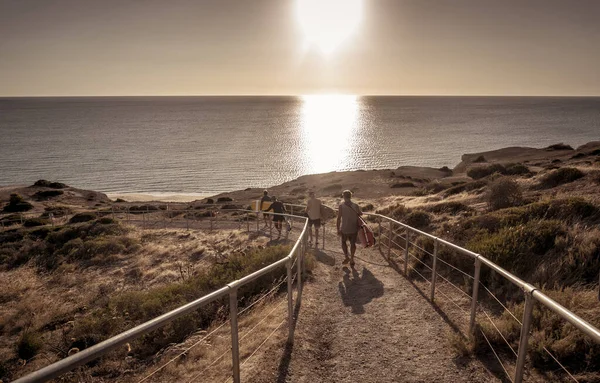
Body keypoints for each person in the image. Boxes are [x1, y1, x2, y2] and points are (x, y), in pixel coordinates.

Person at [336, 190, 361, 268]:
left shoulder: (341, 206)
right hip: (354, 228)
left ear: (343, 196)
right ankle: (352, 259)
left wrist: (338, 229)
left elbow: (339, 218)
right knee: (353, 244)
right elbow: (360, 214)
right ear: (350, 196)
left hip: (344, 228)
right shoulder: (355, 205)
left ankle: (347, 257)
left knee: (343, 242)